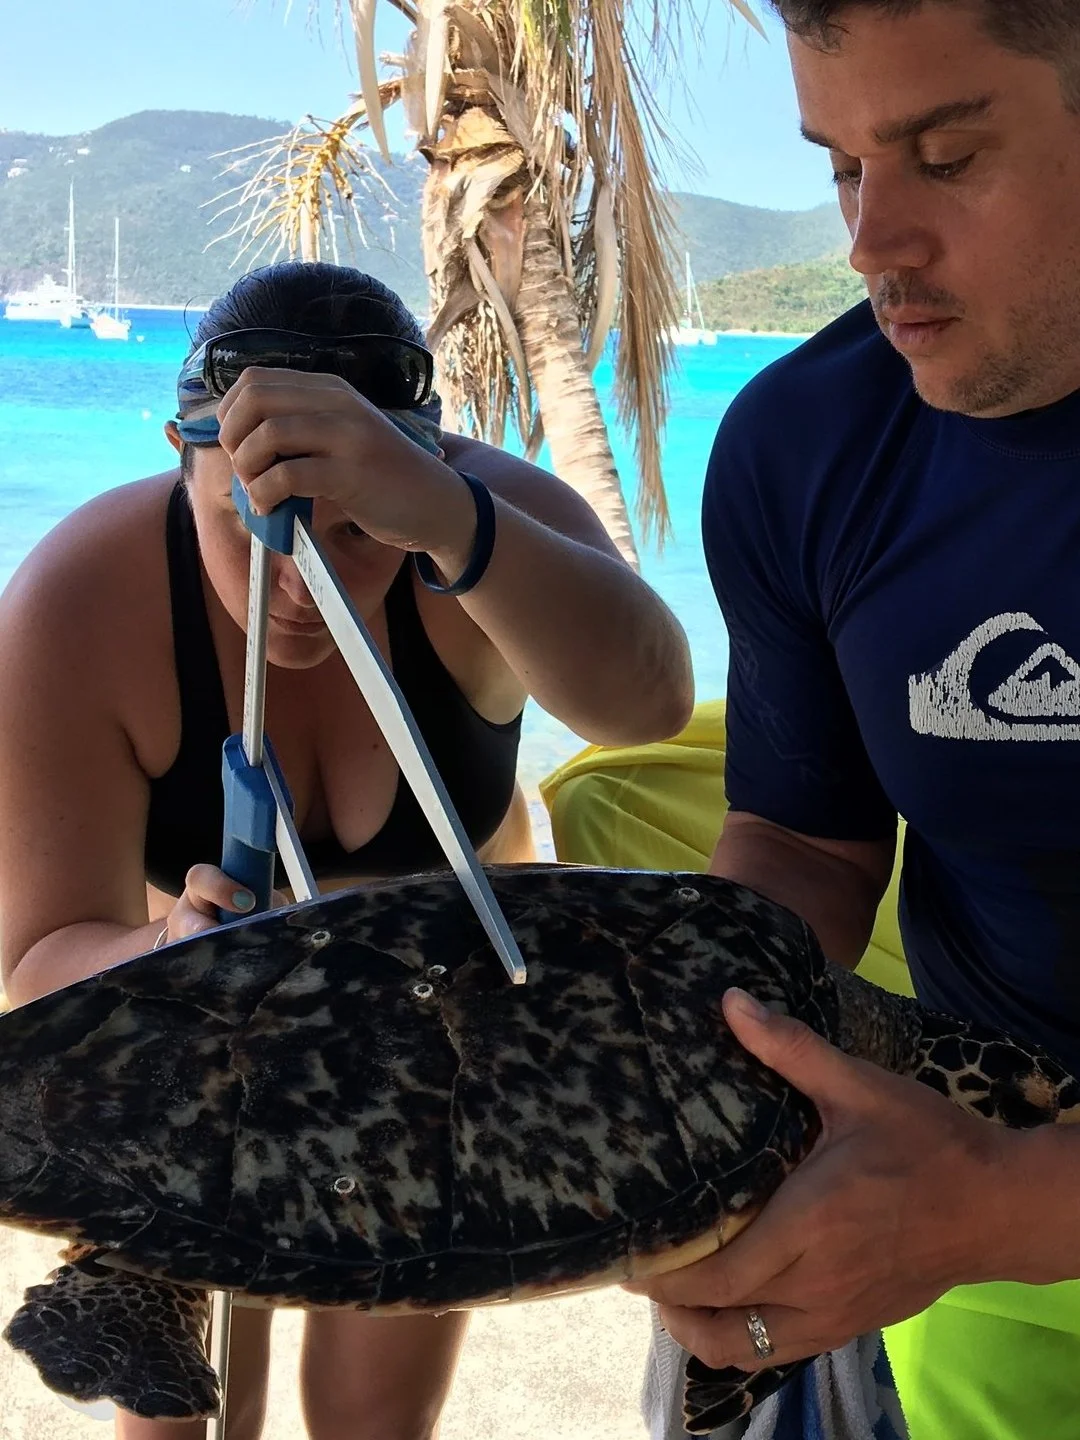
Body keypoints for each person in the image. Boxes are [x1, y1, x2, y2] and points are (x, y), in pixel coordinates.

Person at [0, 260, 694, 1440]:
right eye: (252, 526)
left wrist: (445, 520)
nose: (302, 582)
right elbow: (41, 961)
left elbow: (651, 704)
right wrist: (168, 951)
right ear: (179, 459)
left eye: (356, 530)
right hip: (198, 1019)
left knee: (372, 1414)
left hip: (437, 1023)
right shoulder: (82, 599)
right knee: (178, 1411)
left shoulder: (474, 522)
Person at [625, 3, 1080, 1438]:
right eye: (841, 165)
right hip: (978, 1221)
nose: (873, 241)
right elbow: (803, 839)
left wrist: (1003, 1206)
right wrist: (699, 1064)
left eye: (947, 157)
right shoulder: (807, 444)